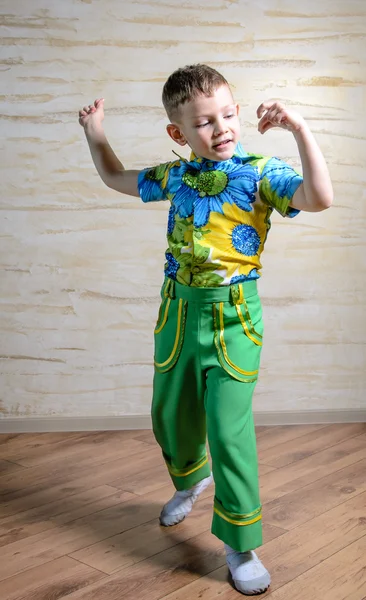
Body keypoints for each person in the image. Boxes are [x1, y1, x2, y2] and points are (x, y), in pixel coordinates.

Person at [79, 64, 333, 596]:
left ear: (238, 114)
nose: (220, 128)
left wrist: (300, 128)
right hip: (176, 312)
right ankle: (192, 481)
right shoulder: (174, 177)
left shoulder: (262, 171)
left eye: (227, 115)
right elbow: (113, 177)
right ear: (179, 133)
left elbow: (319, 197)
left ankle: (241, 543)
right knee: (169, 415)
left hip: (234, 317)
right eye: (203, 122)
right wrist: (95, 132)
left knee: (227, 429)